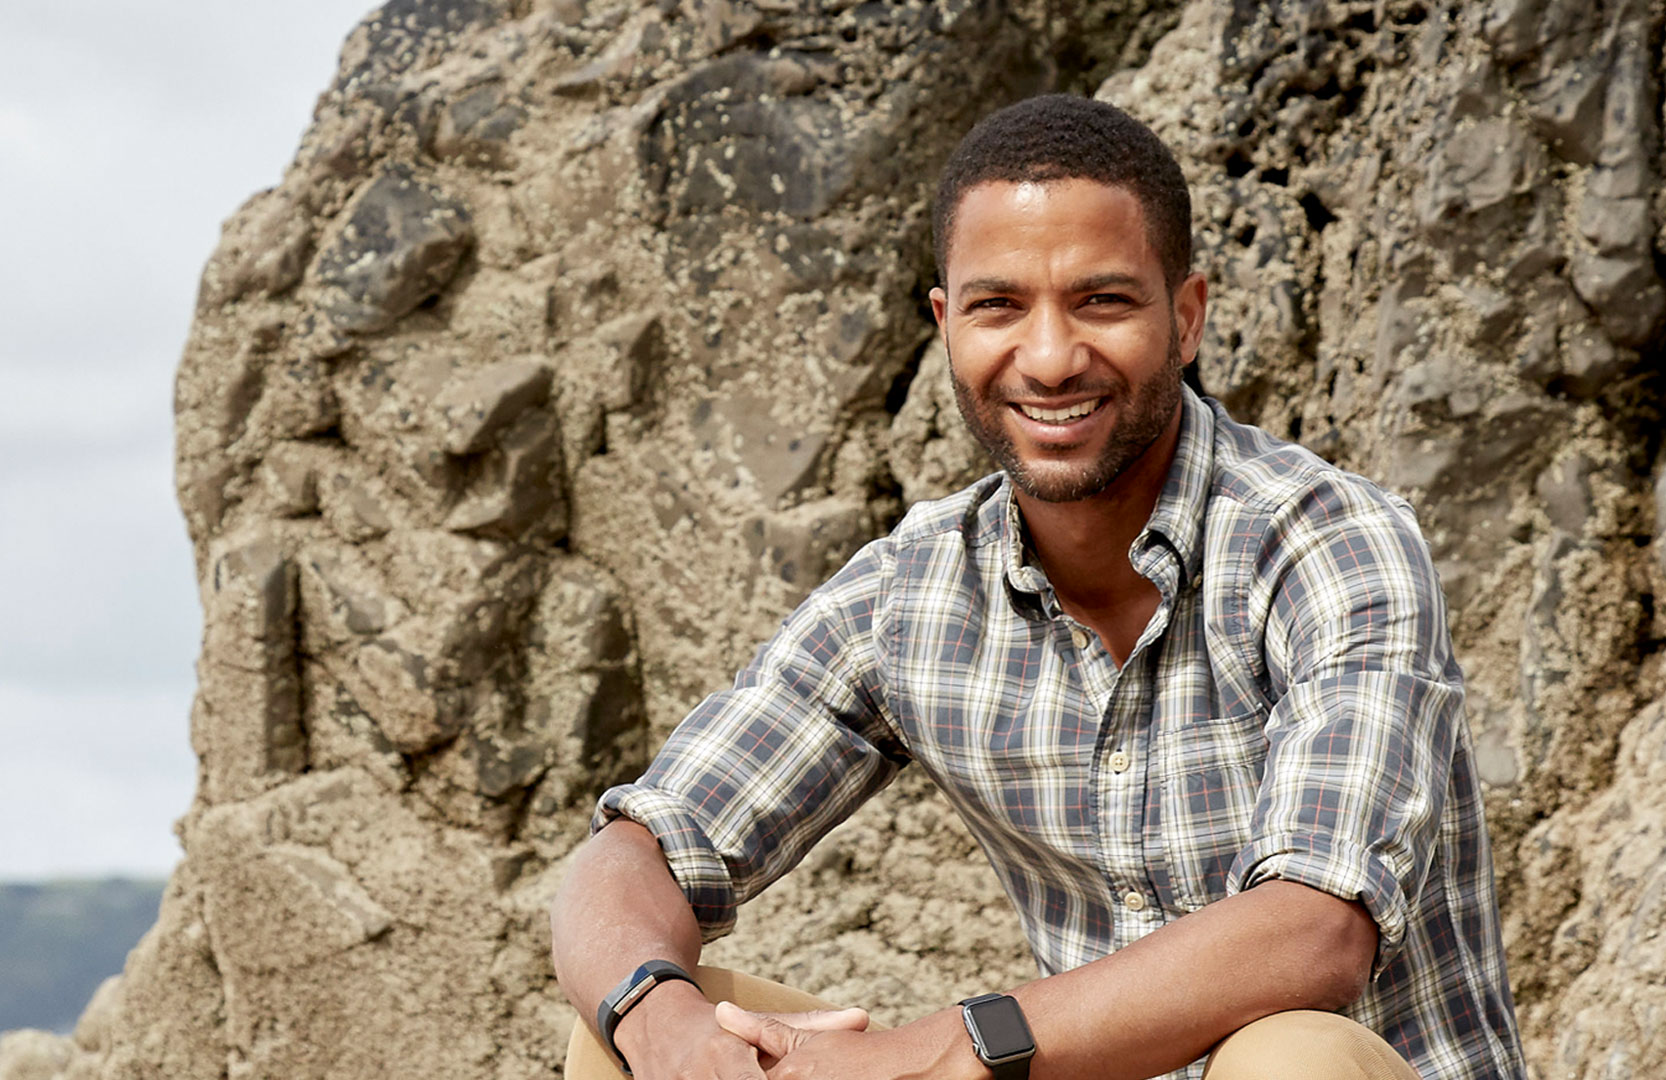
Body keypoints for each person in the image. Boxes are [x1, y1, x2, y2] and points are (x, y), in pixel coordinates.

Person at [551, 94, 1526, 1080]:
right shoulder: (911, 596)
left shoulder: (1330, 544)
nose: (1051, 358)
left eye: (1102, 300)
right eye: (999, 306)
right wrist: (660, 1022)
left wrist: (943, 1054)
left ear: (1185, 318)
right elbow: (638, 850)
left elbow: (1315, 934)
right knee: (627, 1036)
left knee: (1291, 1058)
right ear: (946, 324)